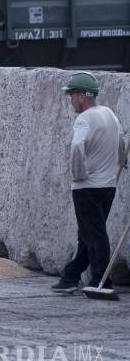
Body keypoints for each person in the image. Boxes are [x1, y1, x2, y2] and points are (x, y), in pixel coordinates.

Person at [52, 71, 123, 292]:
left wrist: (78, 174)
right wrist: (121, 161)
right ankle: (71, 277)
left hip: (87, 187)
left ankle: (101, 280)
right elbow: (122, 140)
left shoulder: (84, 119)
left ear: (82, 96)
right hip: (108, 185)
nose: (71, 100)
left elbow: (76, 147)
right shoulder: (109, 113)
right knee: (88, 233)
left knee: (95, 235)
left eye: (72, 95)